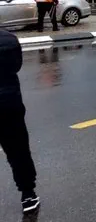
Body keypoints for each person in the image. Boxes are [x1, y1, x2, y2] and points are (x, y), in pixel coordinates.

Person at [0, 29, 40, 215]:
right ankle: (28, 194)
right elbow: (16, 66)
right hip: (10, 104)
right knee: (19, 151)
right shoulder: (10, 39)